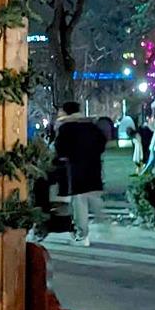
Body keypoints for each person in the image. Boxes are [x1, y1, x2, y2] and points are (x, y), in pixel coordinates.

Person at [54, 101, 108, 247]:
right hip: (93, 167)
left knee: (80, 202)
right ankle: (104, 226)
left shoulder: (66, 128)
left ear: (66, 112)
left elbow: (60, 149)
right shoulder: (90, 126)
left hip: (76, 170)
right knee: (94, 196)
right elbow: (102, 142)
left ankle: (82, 235)